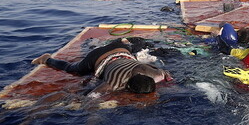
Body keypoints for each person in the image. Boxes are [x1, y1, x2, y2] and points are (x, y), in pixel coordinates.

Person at [31, 37, 172, 94]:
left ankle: (120, 41)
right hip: (97, 57)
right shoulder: (114, 83)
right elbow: (93, 96)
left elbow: (166, 74)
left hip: (121, 48)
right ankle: (47, 59)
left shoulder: (156, 74)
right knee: (72, 69)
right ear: (127, 86)